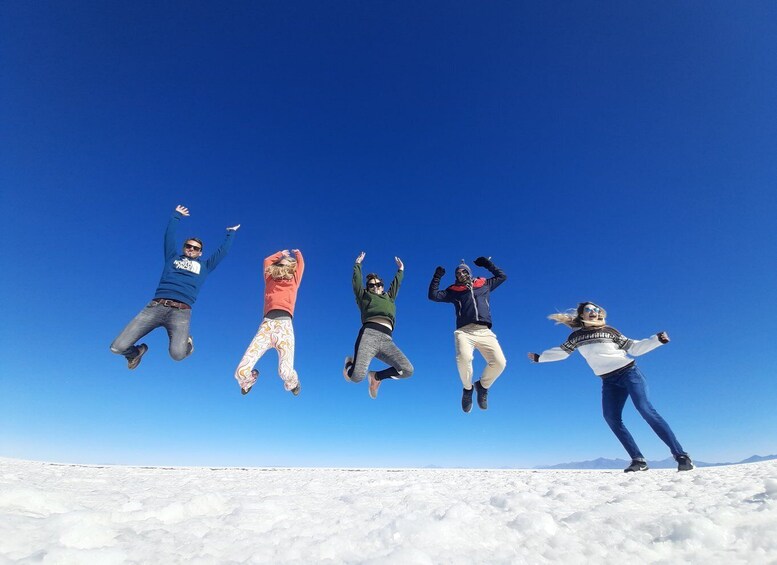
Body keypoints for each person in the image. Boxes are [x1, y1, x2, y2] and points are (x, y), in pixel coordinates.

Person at [527, 302, 694, 472]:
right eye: (588, 310)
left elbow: (634, 348)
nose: (593, 312)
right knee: (611, 417)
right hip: (608, 381)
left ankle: (681, 455)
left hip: (629, 373)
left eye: (596, 309)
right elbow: (561, 352)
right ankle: (638, 460)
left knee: (644, 409)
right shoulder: (576, 337)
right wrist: (540, 358)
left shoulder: (609, 331)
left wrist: (656, 340)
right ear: (581, 315)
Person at [110, 205, 239, 368]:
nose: (191, 249)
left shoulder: (205, 266)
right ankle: (135, 353)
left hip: (181, 312)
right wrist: (175, 216)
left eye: (196, 248)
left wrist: (231, 233)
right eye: (188, 246)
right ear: (184, 248)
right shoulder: (172, 257)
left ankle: (187, 343)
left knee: (178, 355)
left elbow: (222, 252)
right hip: (155, 307)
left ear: (200, 253)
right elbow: (169, 237)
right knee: (117, 347)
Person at [428, 257, 507, 413]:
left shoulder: (484, 284)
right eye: (458, 272)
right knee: (464, 358)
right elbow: (433, 295)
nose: (461, 273)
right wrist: (437, 277)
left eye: (464, 271)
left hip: (484, 331)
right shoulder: (454, 291)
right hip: (464, 332)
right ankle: (467, 389)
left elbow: (502, 276)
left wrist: (487, 264)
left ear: (470, 273)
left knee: (500, 363)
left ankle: (482, 386)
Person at [343, 252, 414, 399]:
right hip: (369, 336)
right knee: (356, 377)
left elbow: (396, 285)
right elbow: (356, 284)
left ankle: (376, 377)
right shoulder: (363, 297)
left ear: (383, 286)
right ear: (368, 288)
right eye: (371, 285)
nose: (375, 286)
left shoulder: (388, 297)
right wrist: (357, 265)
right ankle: (349, 365)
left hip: (387, 340)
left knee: (407, 370)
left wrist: (401, 270)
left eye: (378, 284)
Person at [234, 249, 304, 396]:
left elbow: (301, 265)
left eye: (286, 265)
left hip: (284, 327)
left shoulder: (294, 280)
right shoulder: (270, 279)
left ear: (291, 268)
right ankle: (249, 380)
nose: (282, 268)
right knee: (241, 372)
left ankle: (293, 383)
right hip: (267, 326)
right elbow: (267, 261)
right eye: (280, 265)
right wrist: (281, 254)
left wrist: (298, 254)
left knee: (284, 372)